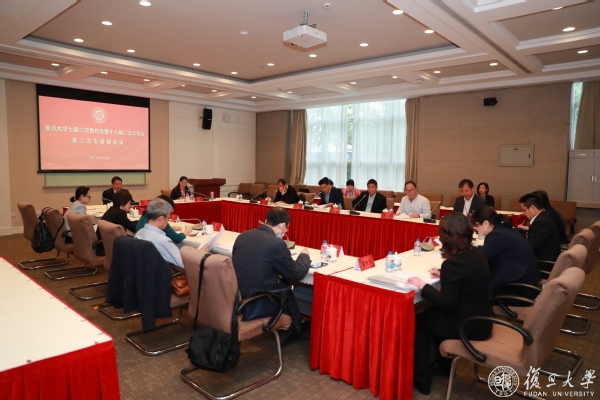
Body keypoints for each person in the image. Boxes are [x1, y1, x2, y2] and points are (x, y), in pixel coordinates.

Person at [407, 213, 493, 395]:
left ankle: (422, 379)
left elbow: (447, 304)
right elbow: (467, 278)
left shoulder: (453, 263)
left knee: (421, 320)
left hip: (468, 325)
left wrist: (422, 285)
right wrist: (444, 275)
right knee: (431, 313)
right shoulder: (476, 253)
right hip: (483, 319)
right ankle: (444, 365)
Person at [232, 207, 310, 339]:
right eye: (286, 228)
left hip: (237, 297)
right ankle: (296, 327)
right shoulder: (276, 244)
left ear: (266, 220)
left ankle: (297, 324)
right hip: (256, 303)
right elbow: (296, 274)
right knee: (285, 288)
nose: (285, 232)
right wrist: (304, 256)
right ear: (282, 225)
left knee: (281, 283)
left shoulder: (243, 236)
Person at [471, 206, 540, 299]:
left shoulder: (497, 235)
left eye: (477, 226)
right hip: (525, 284)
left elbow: (479, 260)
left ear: (486, 223)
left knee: (472, 291)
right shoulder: (504, 229)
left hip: (515, 290)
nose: (476, 230)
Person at [135, 197, 185, 268]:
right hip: (162, 273)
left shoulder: (139, 233)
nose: (168, 220)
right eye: (168, 218)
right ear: (161, 219)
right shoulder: (162, 241)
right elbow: (183, 263)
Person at [518, 193, 561, 264]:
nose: (523, 213)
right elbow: (533, 233)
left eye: (524, 210)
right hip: (542, 257)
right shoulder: (543, 217)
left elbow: (531, 247)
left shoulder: (541, 222)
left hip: (543, 262)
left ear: (533, 208)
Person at [96, 189, 138, 255]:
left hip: (103, 245)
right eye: (129, 203)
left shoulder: (112, 210)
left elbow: (128, 223)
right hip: (110, 248)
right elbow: (134, 228)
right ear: (123, 202)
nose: (130, 206)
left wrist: (137, 221)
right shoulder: (120, 214)